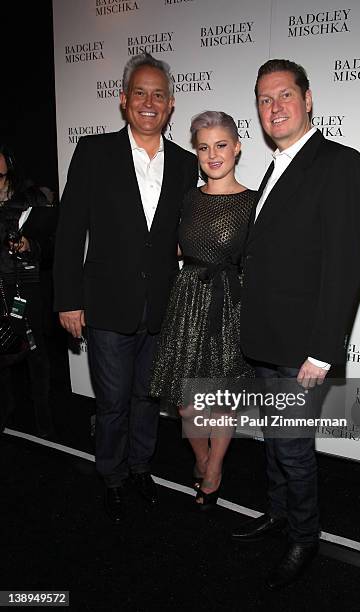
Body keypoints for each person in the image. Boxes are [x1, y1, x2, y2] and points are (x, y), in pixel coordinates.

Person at [231, 59, 360, 589]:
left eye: (284, 95)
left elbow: (344, 266)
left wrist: (322, 349)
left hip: (301, 347)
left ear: (308, 99)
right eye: (264, 99)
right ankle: (281, 515)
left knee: (291, 446)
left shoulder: (337, 163)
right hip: (265, 338)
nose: (274, 107)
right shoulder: (277, 166)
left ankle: (305, 537)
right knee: (275, 439)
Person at [53, 53, 198, 524]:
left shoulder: (184, 163)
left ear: (171, 104)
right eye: (141, 92)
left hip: (160, 309)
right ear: (123, 99)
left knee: (146, 400)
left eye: (159, 94)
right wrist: (69, 299)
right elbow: (70, 231)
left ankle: (140, 468)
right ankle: (111, 476)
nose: (149, 102)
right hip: (107, 306)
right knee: (112, 403)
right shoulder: (94, 153)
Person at [150, 111, 255, 509]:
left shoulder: (252, 203)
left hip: (230, 304)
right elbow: (175, 247)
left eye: (221, 145)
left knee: (220, 399)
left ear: (237, 146)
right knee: (186, 402)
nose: (213, 155)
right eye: (204, 147)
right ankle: (202, 457)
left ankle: (213, 471)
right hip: (188, 299)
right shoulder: (189, 198)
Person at [0, 143, 57, 438]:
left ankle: (43, 417)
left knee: (36, 353)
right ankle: (7, 408)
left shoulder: (31, 199)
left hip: (26, 286)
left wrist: (27, 245)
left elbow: (51, 247)